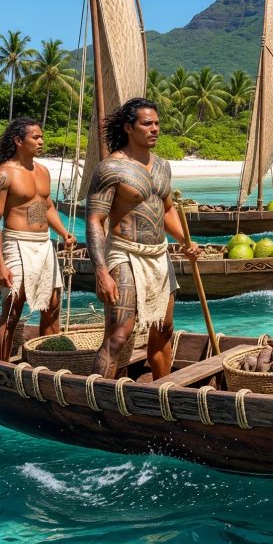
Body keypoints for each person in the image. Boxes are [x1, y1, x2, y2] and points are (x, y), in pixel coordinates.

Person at [86, 98, 200, 380]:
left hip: (159, 255)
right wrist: (101, 272)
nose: (155, 129)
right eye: (147, 123)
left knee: (164, 328)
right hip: (124, 253)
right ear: (128, 127)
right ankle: (95, 398)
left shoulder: (163, 167)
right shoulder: (110, 168)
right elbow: (95, 220)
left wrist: (186, 240)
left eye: (157, 123)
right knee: (119, 335)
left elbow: (167, 209)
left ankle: (164, 392)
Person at [0, 118, 76, 362]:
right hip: (16, 243)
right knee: (13, 311)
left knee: (52, 307)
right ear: (18, 141)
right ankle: (2, 368)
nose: (41, 141)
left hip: (44, 244)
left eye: (41, 137)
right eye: (35, 137)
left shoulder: (42, 171)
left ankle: (49, 366)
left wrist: (62, 232)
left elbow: (43, 206)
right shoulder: (3, 175)